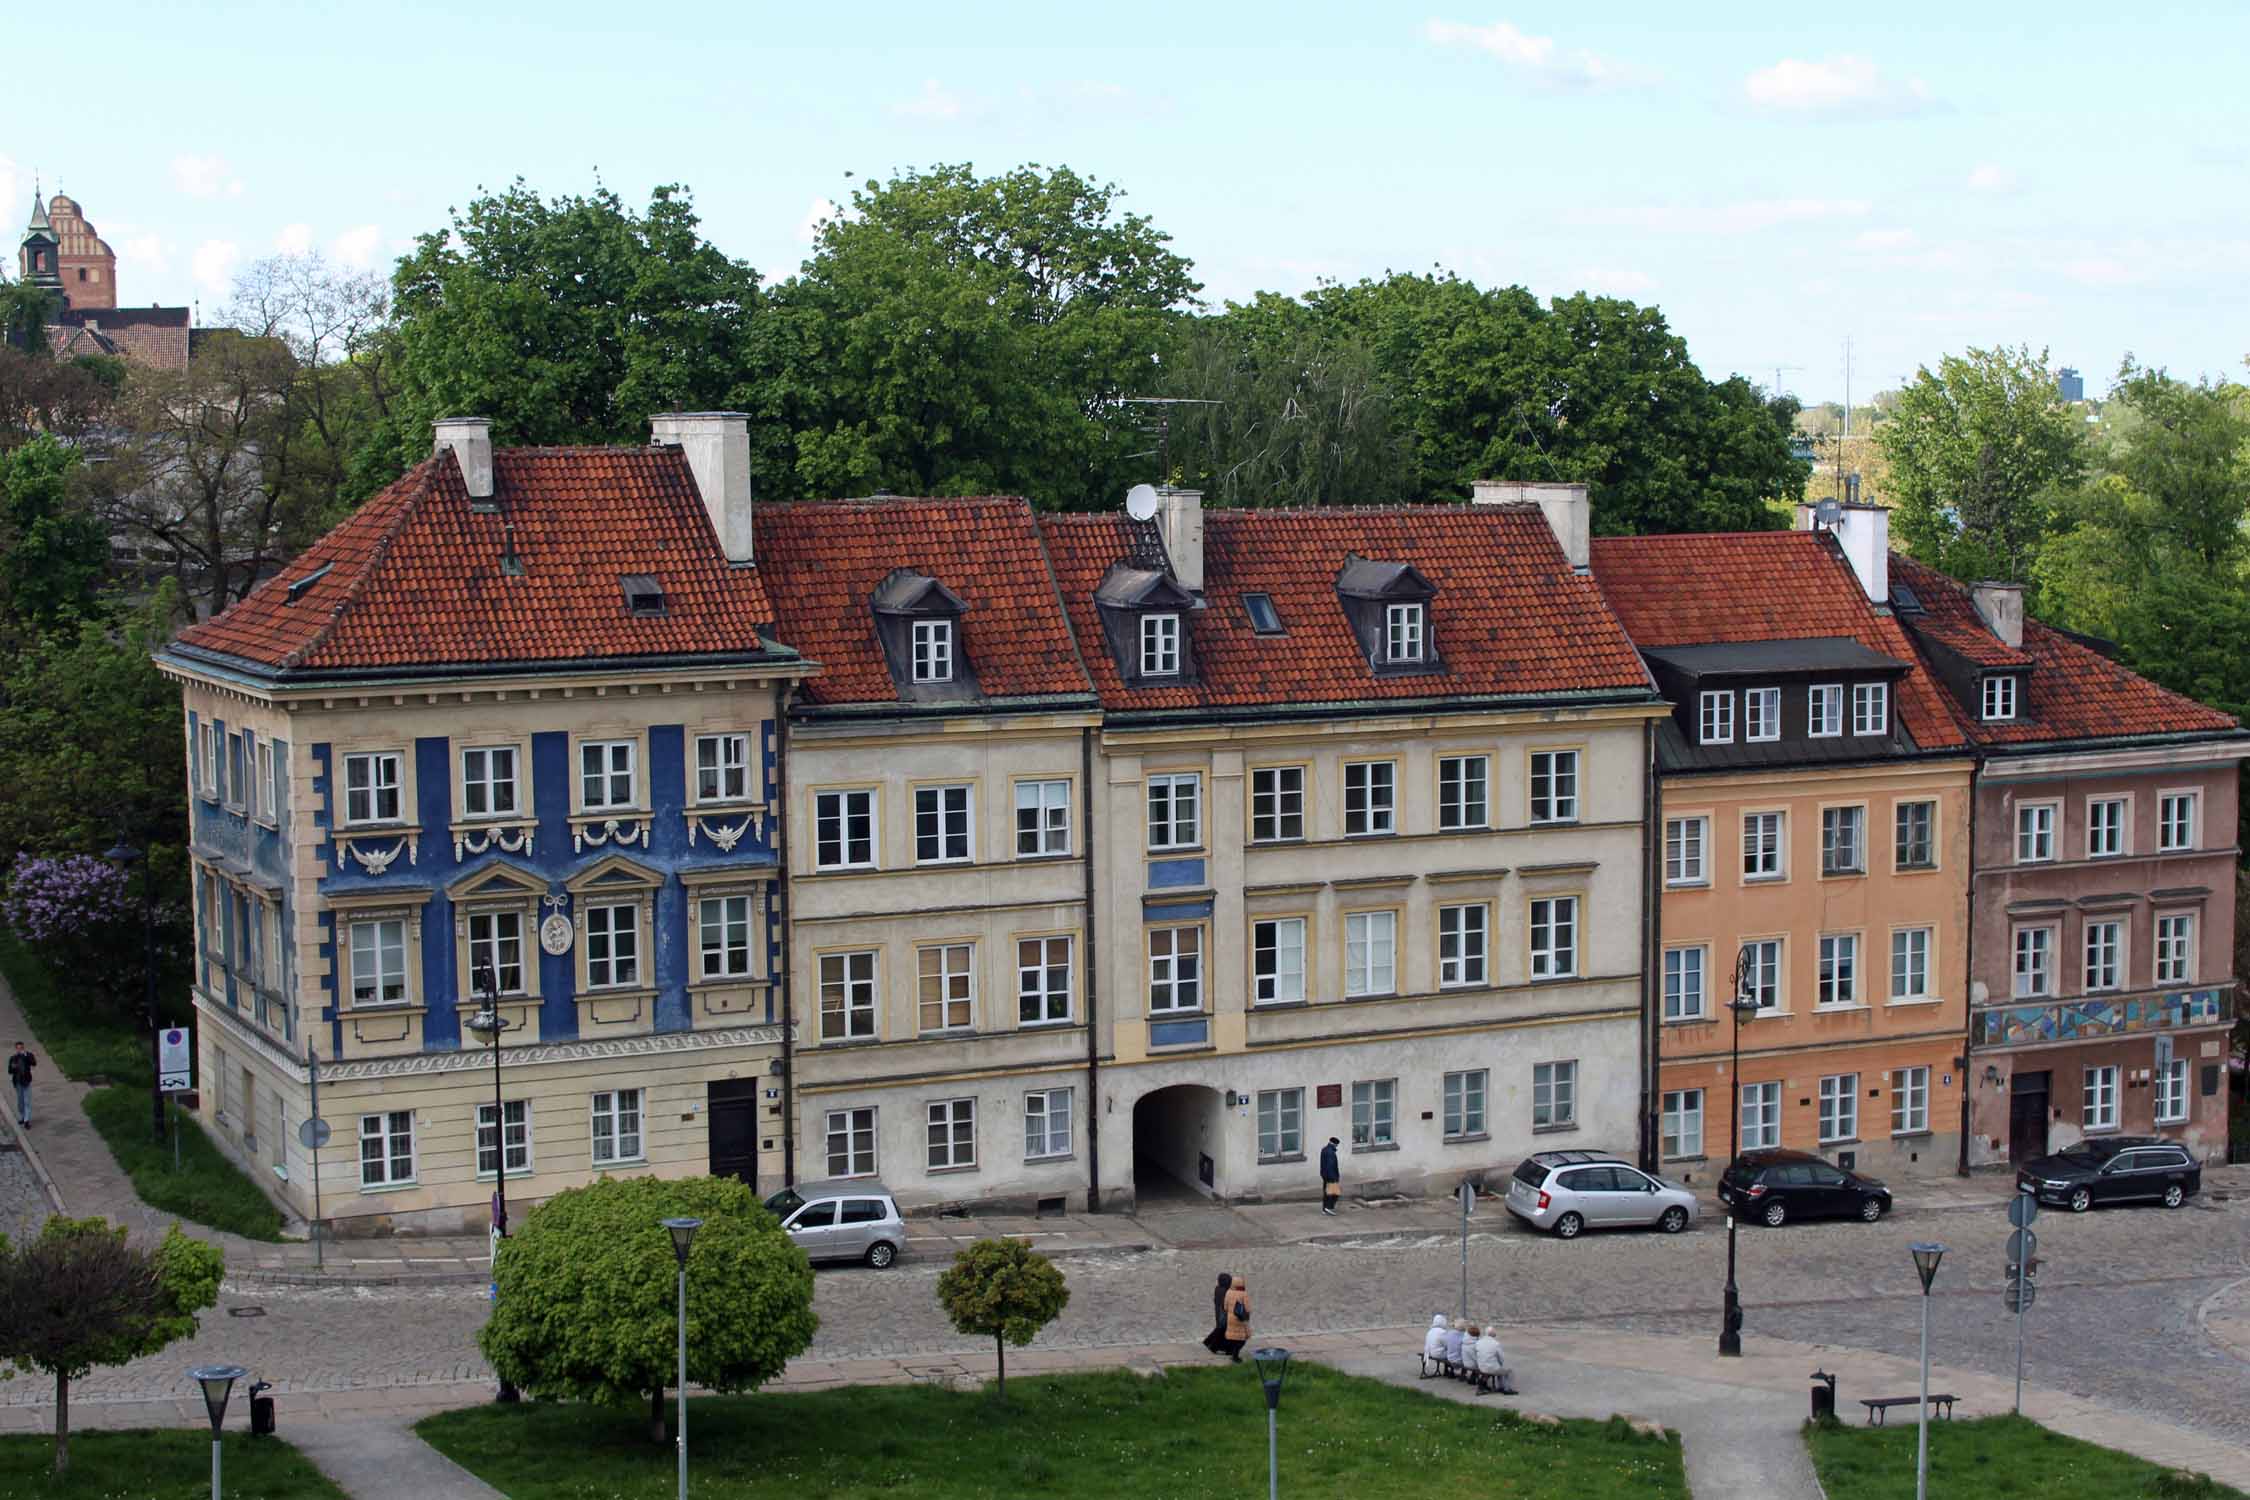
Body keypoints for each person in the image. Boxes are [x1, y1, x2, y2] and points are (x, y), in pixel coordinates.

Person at [1220, 1274, 1251, 1362]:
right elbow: (1248, 1309)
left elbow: (1225, 1307)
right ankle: (1235, 1356)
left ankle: (1233, 1353)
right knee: (1242, 1339)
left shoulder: (1228, 1292)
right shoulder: (1244, 1294)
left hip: (1230, 1318)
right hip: (1240, 1319)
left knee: (1233, 1337)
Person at [1203, 1272, 1235, 1356]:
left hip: (1219, 1313)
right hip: (1224, 1314)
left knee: (1220, 1330)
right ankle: (1215, 1346)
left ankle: (1208, 1342)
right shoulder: (1225, 1291)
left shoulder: (1218, 1289)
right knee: (1222, 1330)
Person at [1473, 1323, 1507, 1395]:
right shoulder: (1496, 1344)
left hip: (1481, 1366)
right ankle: (1504, 1387)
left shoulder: (1478, 1342)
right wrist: (1499, 1364)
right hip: (1491, 1367)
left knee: (1487, 1368)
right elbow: (1502, 1358)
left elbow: (1476, 1354)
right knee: (1504, 1371)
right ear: (1493, 1334)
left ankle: (1482, 1386)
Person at [7, 1043, 32, 1128]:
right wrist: (13, 1067)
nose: (20, 1050)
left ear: (23, 1048)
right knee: (20, 1102)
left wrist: (26, 1055)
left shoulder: (28, 1055)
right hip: (18, 1083)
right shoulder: (13, 1058)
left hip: (26, 1081)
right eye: (18, 1048)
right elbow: (9, 1071)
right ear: (16, 1049)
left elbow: (34, 1063)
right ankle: (23, 1116)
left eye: (21, 1048)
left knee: (27, 1101)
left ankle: (27, 1120)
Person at [1319, 1136, 1341, 1216]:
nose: (1337, 1146)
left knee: (1326, 1192)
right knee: (1335, 1193)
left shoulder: (1325, 1149)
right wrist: (1334, 1178)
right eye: (1337, 1145)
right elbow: (1330, 1166)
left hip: (1325, 1175)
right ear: (1335, 1144)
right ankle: (1328, 1207)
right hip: (1330, 1175)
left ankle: (1324, 1209)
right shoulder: (1330, 1152)